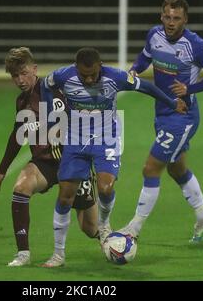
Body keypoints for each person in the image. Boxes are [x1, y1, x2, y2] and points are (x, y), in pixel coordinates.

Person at [41, 47, 187, 267]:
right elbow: (45, 85)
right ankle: (58, 254)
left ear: (100, 66)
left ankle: (104, 224)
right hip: (75, 139)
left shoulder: (115, 77)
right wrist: (50, 121)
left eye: (92, 74)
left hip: (106, 137)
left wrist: (172, 102)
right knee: (65, 196)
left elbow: (146, 87)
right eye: (84, 75)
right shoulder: (63, 75)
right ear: (76, 69)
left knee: (106, 187)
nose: (89, 79)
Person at [120, 0, 203, 243]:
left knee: (151, 167)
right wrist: (135, 69)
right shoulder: (154, 35)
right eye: (167, 17)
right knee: (177, 168)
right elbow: (146, 57)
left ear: (185, 20)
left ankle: (133, 229)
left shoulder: (196, 45)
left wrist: (190, 88)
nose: (170, 22)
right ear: (161, 16)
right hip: (162, 111)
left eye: (176, 18)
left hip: (182, 115)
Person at [0, 47, 99, 267]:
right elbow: (17, 137)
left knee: (89, 228)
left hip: (72, 159)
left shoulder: (55, 90)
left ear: (34, 69)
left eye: (23, 73)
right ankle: (23, 253)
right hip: (44, 164)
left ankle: (111, 240)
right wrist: (1, 171)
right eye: (14, 76)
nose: (20, 80)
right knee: (21, 187)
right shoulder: (22, 102)